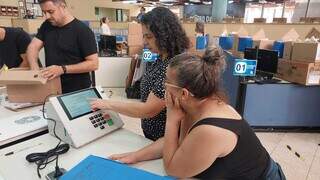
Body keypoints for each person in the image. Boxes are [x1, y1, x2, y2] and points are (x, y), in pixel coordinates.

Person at [106, 46, 286, 180]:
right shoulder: (197, 103)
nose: (163, 85)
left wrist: (171, 120)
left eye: (166, 81)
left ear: (183, 93)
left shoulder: (211, 128)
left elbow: (174, 169)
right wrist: (136, 156)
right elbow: (176, 143)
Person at [90, 7, 190, 141]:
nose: (144, 42)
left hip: (165, 139)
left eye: (149, 36)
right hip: (151, 133)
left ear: (165, 34)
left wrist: (108, 104)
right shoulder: (160, 57)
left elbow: (148, 109)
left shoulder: (175, 65)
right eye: (143, 36)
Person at [27, 0, 98, 93]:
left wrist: (62, 69)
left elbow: (93, 64)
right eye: (44, 12)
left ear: (63, 6)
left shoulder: (82, 31)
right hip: (52, 87)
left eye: (50, 12)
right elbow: (33, 47)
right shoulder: (47, 26)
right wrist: (34, 68)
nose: (46, 16)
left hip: (77, 90)